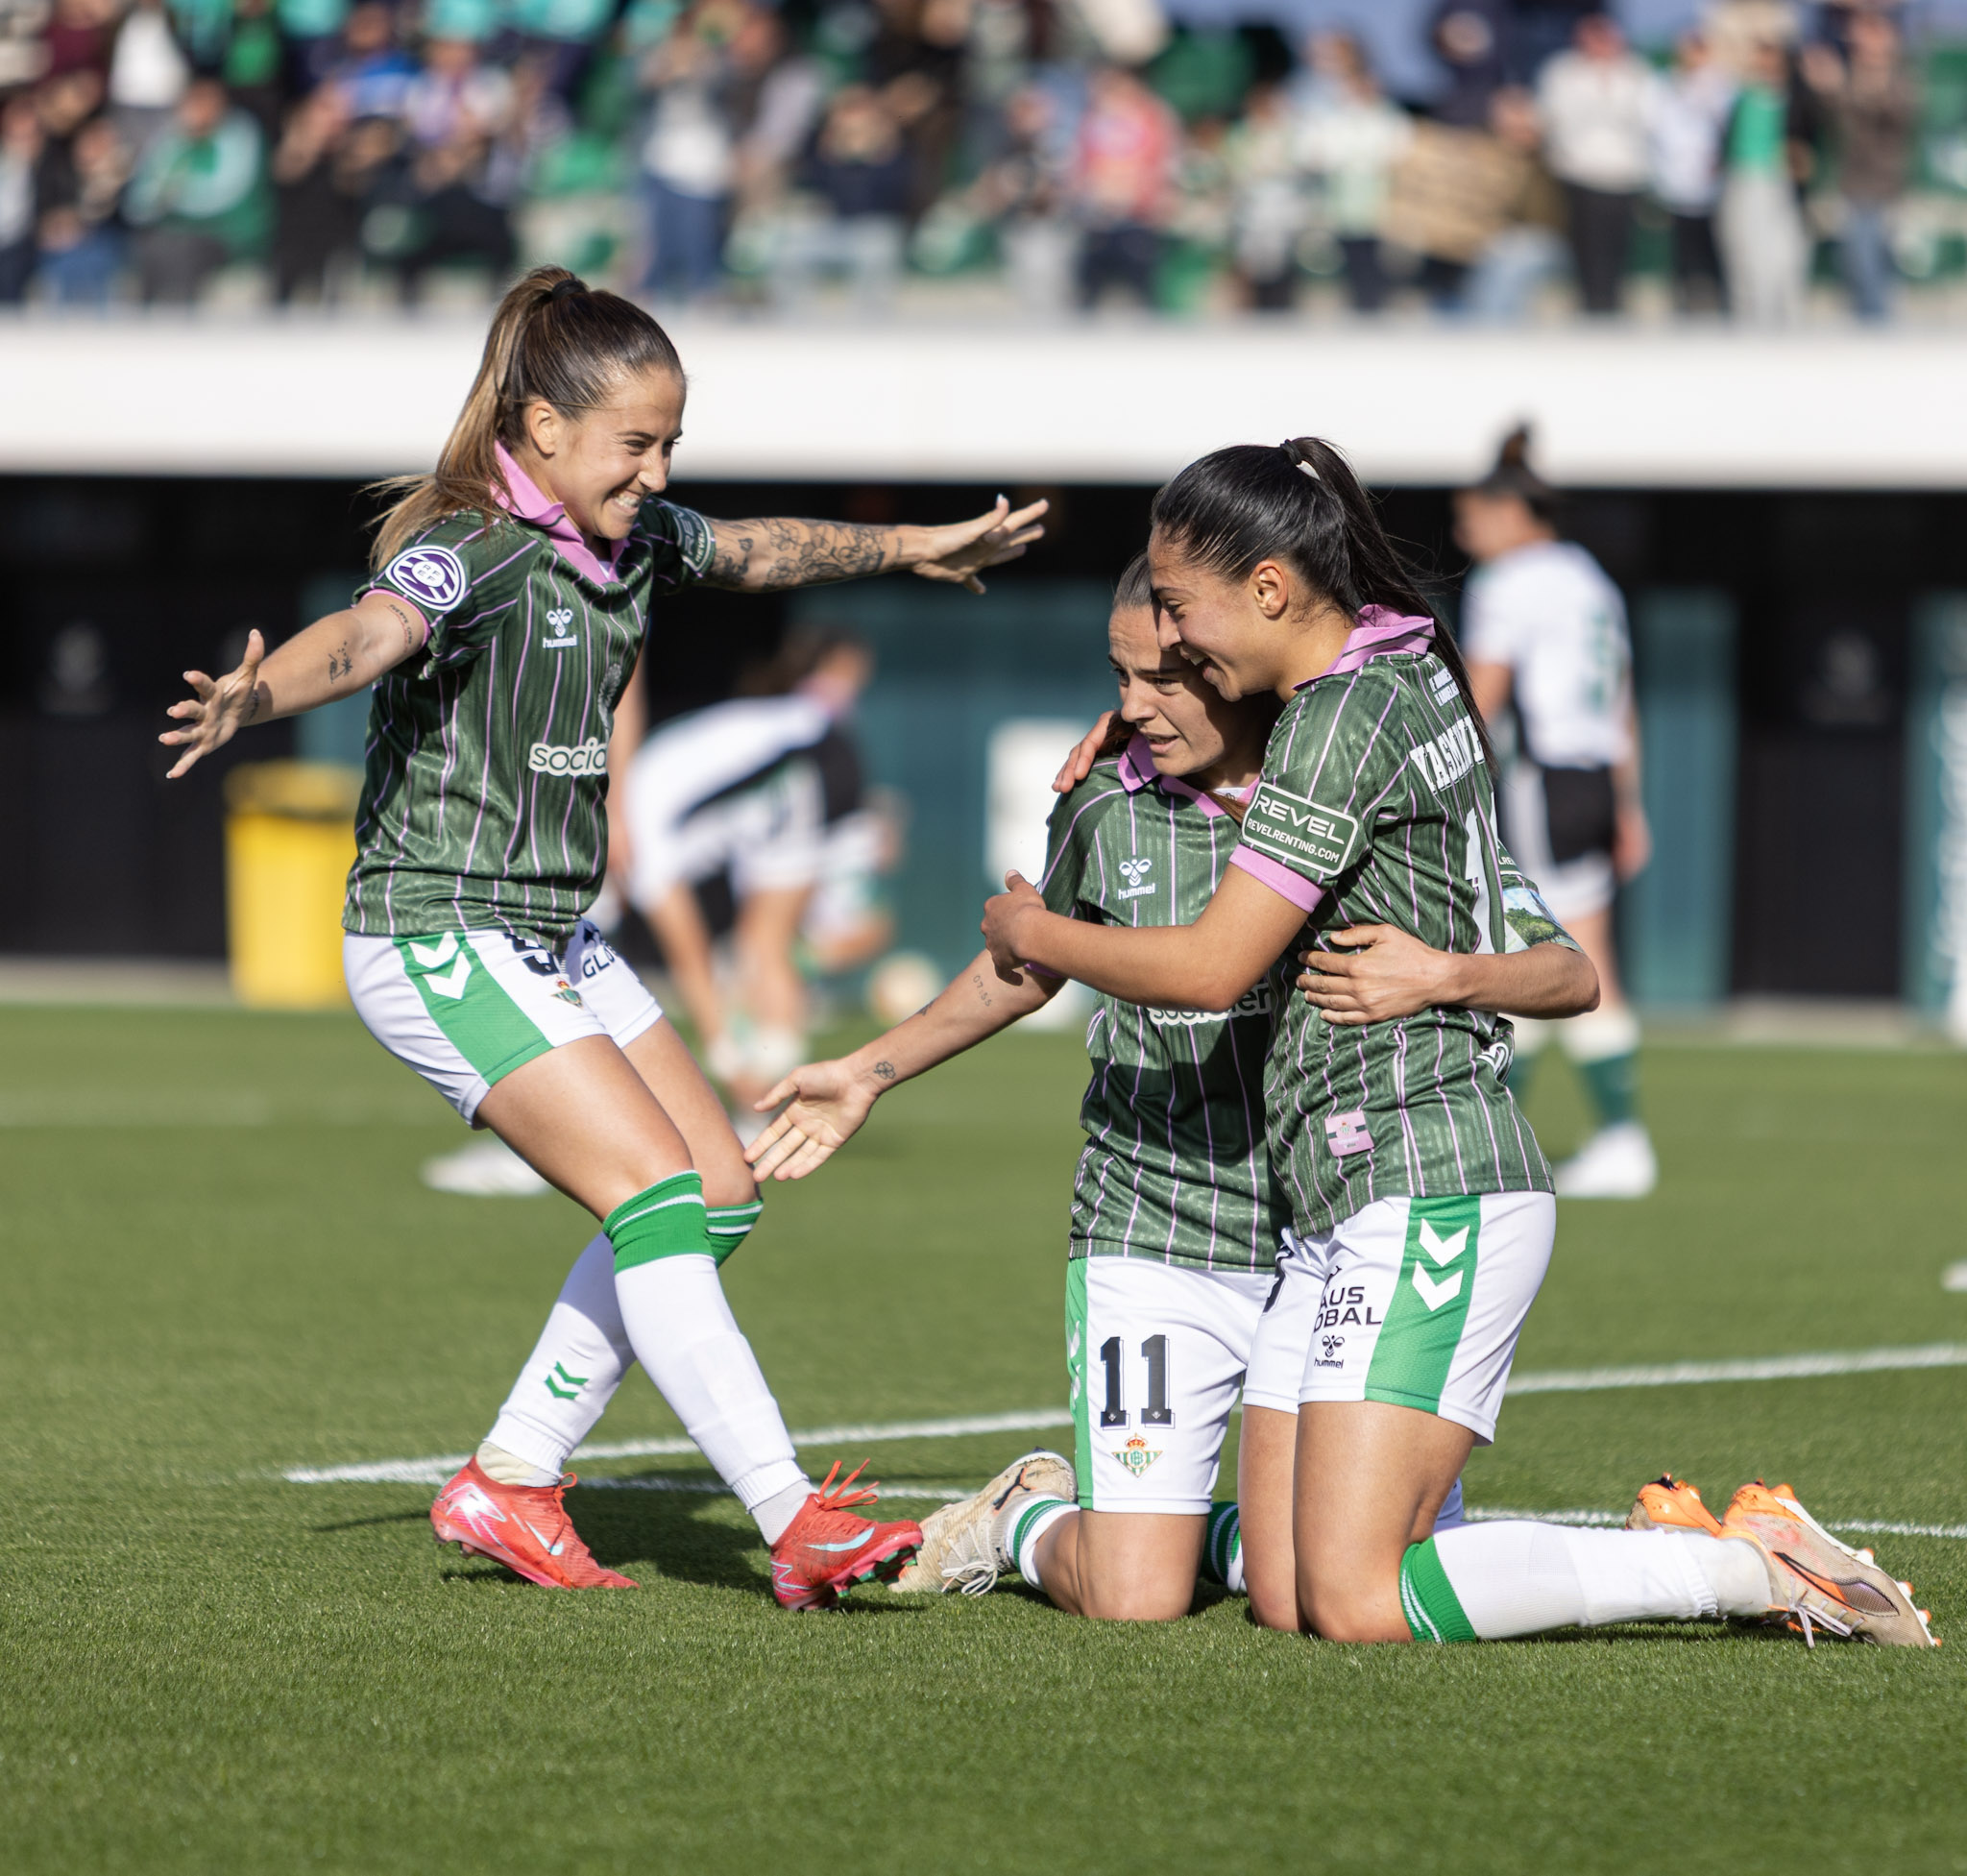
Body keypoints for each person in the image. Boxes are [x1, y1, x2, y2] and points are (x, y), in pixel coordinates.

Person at [158, 266, 1048, 1606]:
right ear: (541, 429)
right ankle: (791, 1513)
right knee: (656, 1196)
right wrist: (259, 691)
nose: (659, 469)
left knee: (719, 1190)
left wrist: (913, 547)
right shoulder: (478, 547)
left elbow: (757, 545)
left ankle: (513, 1477)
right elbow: (371, 632)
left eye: (672, 442)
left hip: (551, 934)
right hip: (437, 924)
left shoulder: (631, 541)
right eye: (637, 443)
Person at [977, 437, 1935, 1649]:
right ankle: (1276, 1517)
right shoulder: (1402, 661)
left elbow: (1214, 967)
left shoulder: (1336, 725)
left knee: (1357, 1602)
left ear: (1269, 590)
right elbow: (1549, 954)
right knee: (1283, 1591)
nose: (1166, 640)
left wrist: (1037, 930)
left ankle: (1744, 1568)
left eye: (1174, 606)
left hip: (1426, 1183)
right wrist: (1129, 734)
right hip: (1338, 1203)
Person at [744, 553, 1589, 1622]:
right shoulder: (1103, 798)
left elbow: (1565, 967)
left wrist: (1445, 975)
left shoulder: (1339, 775)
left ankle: (1253, 1531)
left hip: (1309, 1222)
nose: (1132, 706)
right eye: (1118, 677)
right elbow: (1023, 968)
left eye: (1164, 677)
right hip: (1153, 1219)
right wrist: (868, 1072)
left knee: (1311, 1584)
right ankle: (1025, 1514)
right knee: (1130, 1599)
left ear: (1232, 664)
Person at [1454, 426, 1654, 1199]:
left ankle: (1618, 1137)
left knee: (1557, 949)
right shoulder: (1589, 577)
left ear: (1510, 514)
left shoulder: (1512, 582)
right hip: (1594, 774)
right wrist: (1630, 802)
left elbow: (1484, 698)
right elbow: (1623, 699)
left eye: (1471, 514)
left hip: (1545, 779)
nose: (1464, 530)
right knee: (1538, 942)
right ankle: (1514, 1137)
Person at [1534, 12, 1659, 316]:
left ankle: (1612, 305)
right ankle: (1590, 305)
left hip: (1623, 174)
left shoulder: (1636, 72)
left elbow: (1646, 119)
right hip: (1580, 173)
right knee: (1586, 245)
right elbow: (1557, 118)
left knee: (1618, 245)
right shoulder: (1563, 71)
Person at [1803, 12, 1916, 323]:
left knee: (1878, 260)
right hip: (1854, 183)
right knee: (1857, 261)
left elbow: (1898, 115)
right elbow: (1838, 124)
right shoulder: (1848, 76)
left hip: (1886, 183)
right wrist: (1829, 87)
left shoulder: (1898, 77)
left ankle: (1878, 327)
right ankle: (1868, 326)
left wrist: (1854, 85)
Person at [1716, 37, 1812, 327]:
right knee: (1743, 250)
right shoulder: (1741, 96)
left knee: (1783, 253)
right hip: (1743, 180)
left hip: (1778, 183)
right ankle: (1748, 316)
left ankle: (1784, 316)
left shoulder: (1795, 97)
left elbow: (1807, 140)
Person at [1649, 29, 1736, 314]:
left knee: (1715, 246)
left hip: (1713, 180)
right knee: (1682, 247)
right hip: (1677, 179)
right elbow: (1660, 129)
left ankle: (1722, 302)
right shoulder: (1666, 83)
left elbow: (1727, 126)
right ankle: (1684, 300)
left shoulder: (1721, 84)